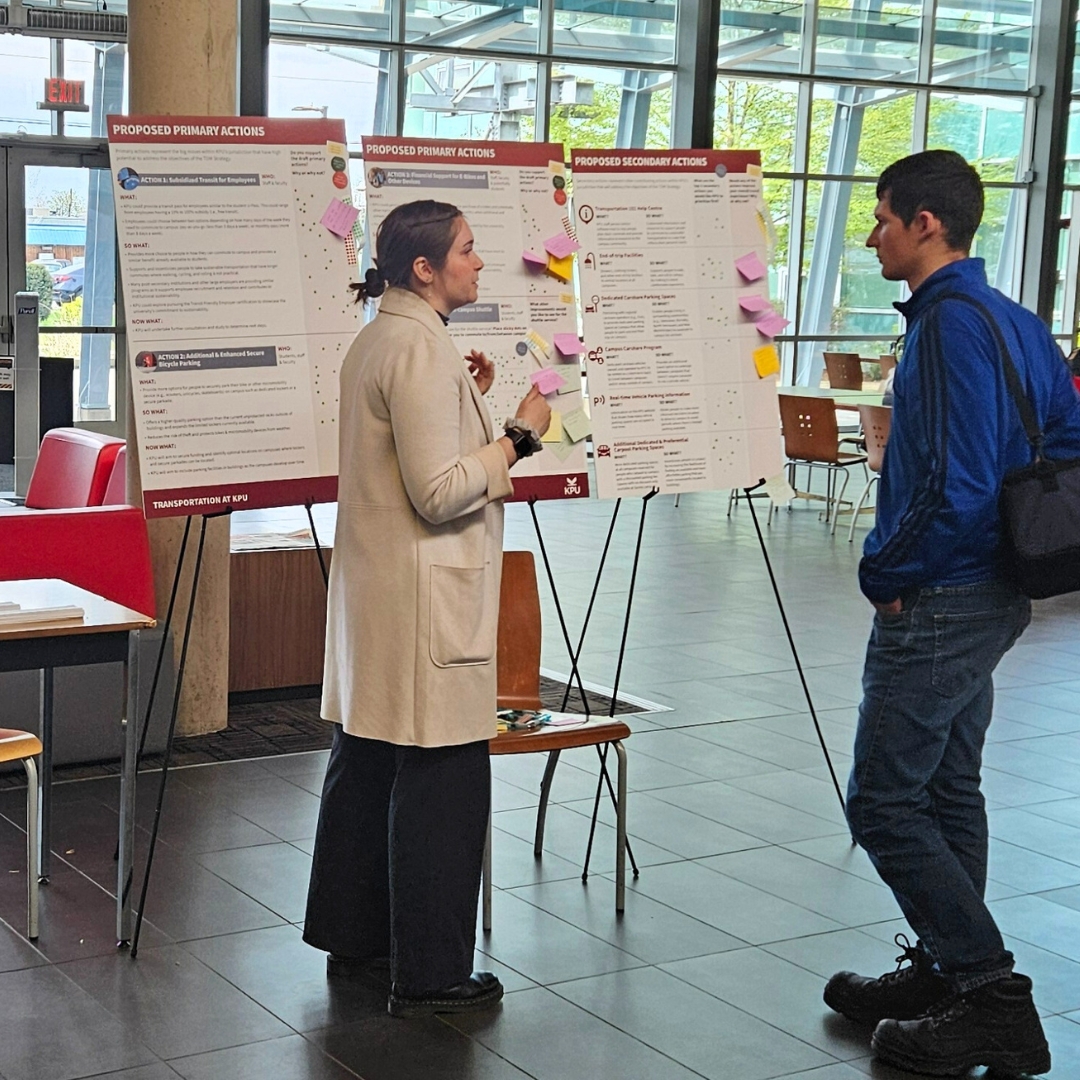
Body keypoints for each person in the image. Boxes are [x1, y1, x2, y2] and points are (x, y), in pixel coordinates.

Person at [823, 150, 1080, 1076]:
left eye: (882, 219)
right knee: (944, 786)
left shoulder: (945, 328)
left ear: (926, 223)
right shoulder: (1015, 319)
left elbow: (948, 478)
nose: (872, 233)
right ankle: (946, 970)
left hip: (943, 592)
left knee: (885, 800)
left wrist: (888, 566)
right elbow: (1067, 438)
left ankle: (990, 994)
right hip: (1000, 586)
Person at [303, 199, 551, 1018]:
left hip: (385, 595)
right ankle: (433, 972)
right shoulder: (415, 349)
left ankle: (357, 936)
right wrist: (516, 434)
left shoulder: (386, 336)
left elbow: (413, 447)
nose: (481, 264)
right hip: (423, 600)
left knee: (367, 764)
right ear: (424, 268)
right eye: (469, 252)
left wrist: (469, 399)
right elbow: (439, 492)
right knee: (442, 783)